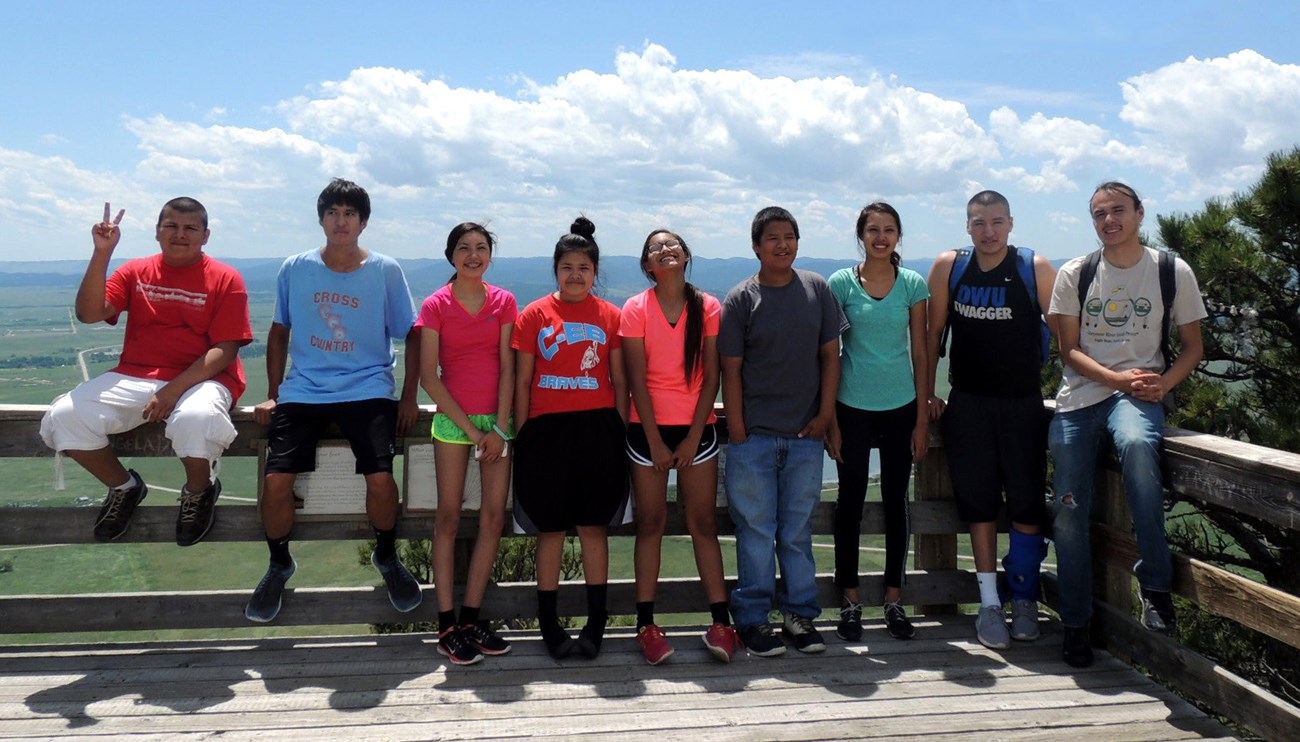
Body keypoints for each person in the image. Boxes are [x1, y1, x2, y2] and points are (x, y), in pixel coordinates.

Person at [246, 178, 422, 623]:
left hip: (367, 387)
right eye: (332, 213)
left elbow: (413, 333)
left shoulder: (385, 270)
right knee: (276, 482)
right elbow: (279, 331)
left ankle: (386, 556)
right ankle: (278, 562)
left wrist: (407, 396)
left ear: (363, 221)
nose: (340, 221)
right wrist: (273, 395)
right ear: (321, 218)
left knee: (380, 477)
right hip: (304, 389)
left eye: (349, 214)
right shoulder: (296, 267)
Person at [1048, 181, 1206, 668]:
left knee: (1139, 451)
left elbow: (1193, 347)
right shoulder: (1076, 273)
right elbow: (1068, 350)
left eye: (1118, 210)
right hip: (1083, 395)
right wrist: (1116, 378)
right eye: (1099, 213)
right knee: (1070, 509)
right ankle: (1075, 622)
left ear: (1140, 214)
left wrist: (1163, 383)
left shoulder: (1169, 270)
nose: (1109, 220)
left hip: (1138, 395)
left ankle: (1155, 585)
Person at [41, 199, 253, 546]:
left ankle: (199, 491)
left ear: (206, 235)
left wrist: (171, 392)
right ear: (157, 232)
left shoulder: (226, 278)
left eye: (190, 228)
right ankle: (124, 487)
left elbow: (225, 349)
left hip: (205, 377)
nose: (179, 234)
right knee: (65, 415)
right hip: (136, 374)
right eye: (171, 226)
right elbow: (89, 313)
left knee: (195, 418)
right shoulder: (135, 271)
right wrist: (102, 254)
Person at [925, 191, 1056, 650]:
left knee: (1026, 506)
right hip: (969, 403)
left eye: (997, 221)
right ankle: (988, 603)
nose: (989, 231)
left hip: (1023, 404)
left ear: (1011, 223)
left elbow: (1067, 333)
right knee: (977, 506)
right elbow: (932, 335)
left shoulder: (1034, 266)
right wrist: (928, 395)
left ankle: (1022, 596)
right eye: (979, 222)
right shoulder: (950, 267)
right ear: (967, 226)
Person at [719, 206, 846, 657]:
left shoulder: (817, 290)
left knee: (795, 531)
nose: (782, 245)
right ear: (756, 246)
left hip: (805, 435)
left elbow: (831, 357)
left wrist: (825, 416)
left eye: (789, 236)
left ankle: (799, 617)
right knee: (755, 530)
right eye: (772, 238)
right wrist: (737, 429)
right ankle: (754, 620)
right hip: (752, 437)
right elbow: (729, 369)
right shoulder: (740, 299)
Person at [621, 228, 742, 665]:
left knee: (702, 525)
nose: (665, 250)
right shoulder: (635, 309)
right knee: (650, 525)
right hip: (646, 431)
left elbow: (712, 377)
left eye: (672, 244)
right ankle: (646, 624)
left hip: (698, 430)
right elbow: (637, 381)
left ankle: (720, 621)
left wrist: (693, 435)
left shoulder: (708, 306)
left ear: (686, 255)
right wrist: (654, 439)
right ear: (647, 264)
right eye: (655, 248)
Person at [511, 217, 629, 660]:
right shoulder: (535, 315)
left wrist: (616, 429)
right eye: (567, 267)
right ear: (555, 271)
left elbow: (619, 380)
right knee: (551, 529)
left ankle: (596, 623)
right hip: (545, 431)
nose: (575, 274)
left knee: (594, 527)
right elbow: (524, 381)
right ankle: (549, 622)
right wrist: (524, 434)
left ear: (595, 272)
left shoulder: (610, 315)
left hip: (598, 429)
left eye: (583, 267)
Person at [416, 222, 518, 666]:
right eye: (464, 248)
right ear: (451, 256)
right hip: (454, 422)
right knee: (449, 517)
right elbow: (428, 377)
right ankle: (446, 626)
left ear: (490, 256)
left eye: (481, 248)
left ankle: (472, 618)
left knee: (494, 517)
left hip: (498, 421)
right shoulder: (436, 304)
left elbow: (509, 368)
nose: (472, 255)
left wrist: (497, 428)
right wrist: (477, 433)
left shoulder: (504, 301)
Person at [827, 202, 929, 644]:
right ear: (861, 235)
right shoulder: (840, 284)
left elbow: (922, 353)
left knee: (895, 503)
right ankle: (849, 600)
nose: (881, 237)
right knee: (848, 502)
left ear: (899, 236)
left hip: (901, 405)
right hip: (851, 405)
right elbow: (829, 354)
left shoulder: (912, 284)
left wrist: (923, 417)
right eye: (873, 230)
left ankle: (893, 598)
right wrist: (830, 417)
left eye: (889, 230)